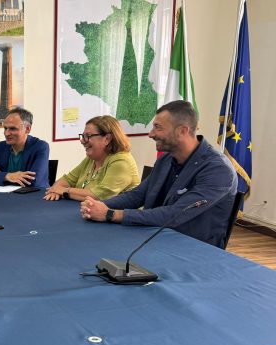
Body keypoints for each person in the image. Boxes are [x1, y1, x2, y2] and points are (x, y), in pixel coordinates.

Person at [80, 100, 238, 248]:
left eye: (158, 128)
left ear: (182, 131)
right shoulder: (166, 159)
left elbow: (175, 214)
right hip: (153, 237)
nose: (151, 134)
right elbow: (137, 196)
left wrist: (111, 214)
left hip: (192, 249)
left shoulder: (218, 169)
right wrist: (100, 206)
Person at [44, 115, 139, 201]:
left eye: (88, 136)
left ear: (107, 139)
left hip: (116, 214)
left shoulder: (122, 162)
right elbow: (67, 180)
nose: (82, 141)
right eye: (83, 136)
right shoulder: (91, 159)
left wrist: (64, 191)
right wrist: (55, 191)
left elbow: (99, 196)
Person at [0, 107, 50, 188]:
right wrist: (7, 176)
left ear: (27, 129)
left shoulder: (40, 147)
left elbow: (32, 182)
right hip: (4, 194)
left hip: (34, 195)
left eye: (13, 129)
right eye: (5, 128)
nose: (6, 133)